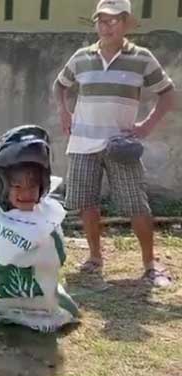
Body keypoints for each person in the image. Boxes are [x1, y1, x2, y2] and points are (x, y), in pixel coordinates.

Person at [53, 0, 176, 287]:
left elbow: (168, 94)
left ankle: (149, 264)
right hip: (83, 142)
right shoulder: (81, 56)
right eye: (101, 20)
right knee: (86, 203)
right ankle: (95, 258)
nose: (106, 26)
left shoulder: (142, 57)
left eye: (113, 20)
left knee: (136, 204)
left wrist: (146, 125)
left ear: (125, 24)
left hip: (121, 145)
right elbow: (60, 84)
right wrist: (63, 109)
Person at [0, 125, 80, 333]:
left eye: (32, 186)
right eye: (17, 186)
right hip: (21, 303)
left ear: (43, 185)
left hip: (34, 302)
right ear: (2, 185)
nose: (26, 193)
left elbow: (59, 257)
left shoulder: (47, 217)